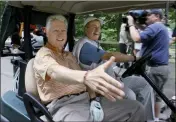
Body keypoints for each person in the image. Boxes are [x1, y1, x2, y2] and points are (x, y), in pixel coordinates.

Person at [33, 15, 145, 121]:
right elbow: (54, 71)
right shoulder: (43, 54)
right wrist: (86, 76)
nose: (60, 35)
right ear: (46, 32)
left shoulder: (69, 55)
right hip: (64, 105)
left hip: (87, 99)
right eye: (55, 31)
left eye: (63, 31)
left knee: (137, 108)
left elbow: (86, 83)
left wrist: (93, 99)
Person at [73, 17, 155, 121]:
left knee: (144, 83)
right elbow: (111, 56)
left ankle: (146, 118)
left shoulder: (93, 43)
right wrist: (134, 58)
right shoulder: (85, 45)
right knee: (130, 96)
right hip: (102, 86)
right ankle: (133, 115)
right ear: (85, 29)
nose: (97, 30)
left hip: (114, 80)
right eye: (93, 27)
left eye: (99, 27)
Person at [127, 9, 170, 121]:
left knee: (146, 95)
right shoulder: (161, 27)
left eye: (149, 15)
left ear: (156, 16)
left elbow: (137, 38)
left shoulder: (156, 27)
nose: (146, 17)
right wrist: (136, 24)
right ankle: (154, 119)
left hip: (155, 68)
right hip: (162, 68)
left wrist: (131, 24)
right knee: (156, 96)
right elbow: (144, 31)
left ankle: (145, 118)